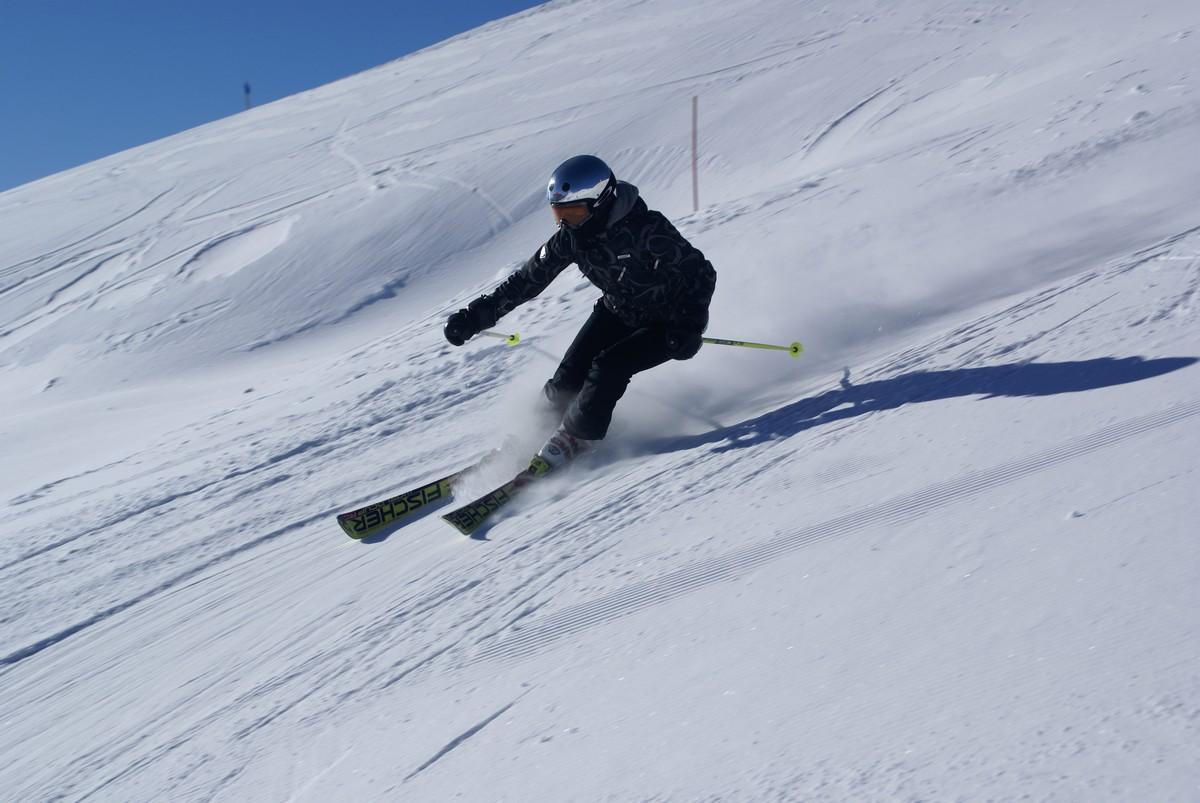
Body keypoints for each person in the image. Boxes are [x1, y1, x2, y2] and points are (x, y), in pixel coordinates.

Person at [443, 155, 717, 468]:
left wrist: (691, 323)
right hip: (617, 312)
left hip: (666, 324)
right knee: (568, 377)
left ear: (599, 203)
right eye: (558, 214)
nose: (565, 223)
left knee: (608, 367)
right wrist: (474, 317)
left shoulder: (647, 229)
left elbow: (700, 272)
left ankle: (578, 437)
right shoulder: (570, 240)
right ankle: (530, 436)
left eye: (572, 213)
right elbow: (525, 282)